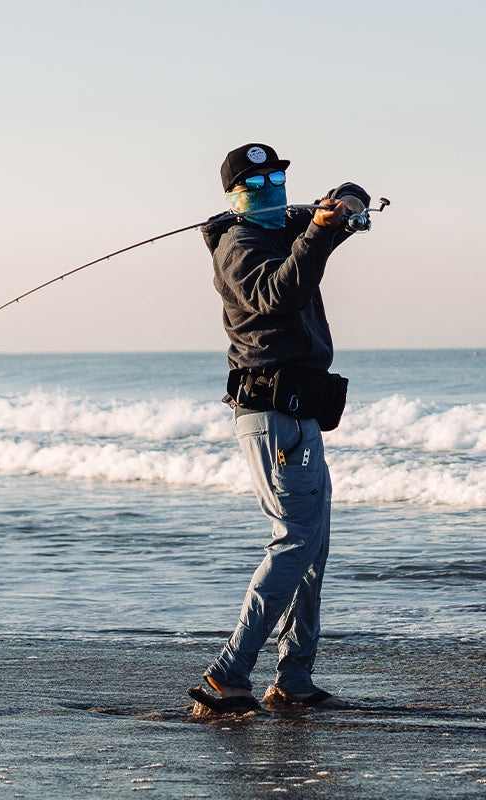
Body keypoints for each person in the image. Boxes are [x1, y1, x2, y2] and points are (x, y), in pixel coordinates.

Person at [199, 142, 370, 710]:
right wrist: (321, 229)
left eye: (278, 175)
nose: (272, 184)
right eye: (257, 179)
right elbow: (280, 292)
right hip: (271, 419)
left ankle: (293, 679)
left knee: (312, 547)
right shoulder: (240, 243)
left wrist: (345, 202)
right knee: (294, 540)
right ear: (234, 194)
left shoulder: (282, 226)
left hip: (301, 416)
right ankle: (228, 673)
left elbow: (327, 218)